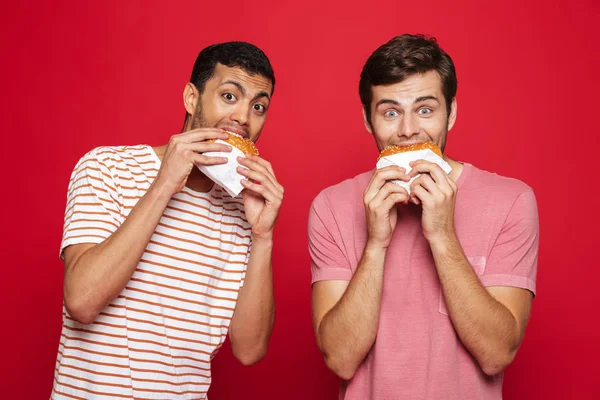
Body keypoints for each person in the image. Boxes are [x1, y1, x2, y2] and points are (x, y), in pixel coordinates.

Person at [309, 34, 538, 399]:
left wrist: (443, 236)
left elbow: (497, 355)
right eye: (390, 112)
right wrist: (375, 245)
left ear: (452, 112)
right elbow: (340, 359)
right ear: (369, 120)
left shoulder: (513, 201)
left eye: (425, 109)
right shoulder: (331, 206)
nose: (408, 131)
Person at [52, 41, 284, 399]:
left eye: (258, 106)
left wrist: (263, 235)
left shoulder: (245, 211)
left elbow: (249, 350)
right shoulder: (105, 168)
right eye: (228, 96)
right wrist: (164, 184)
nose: (243, 118)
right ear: (192, 99)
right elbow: (82, 301)